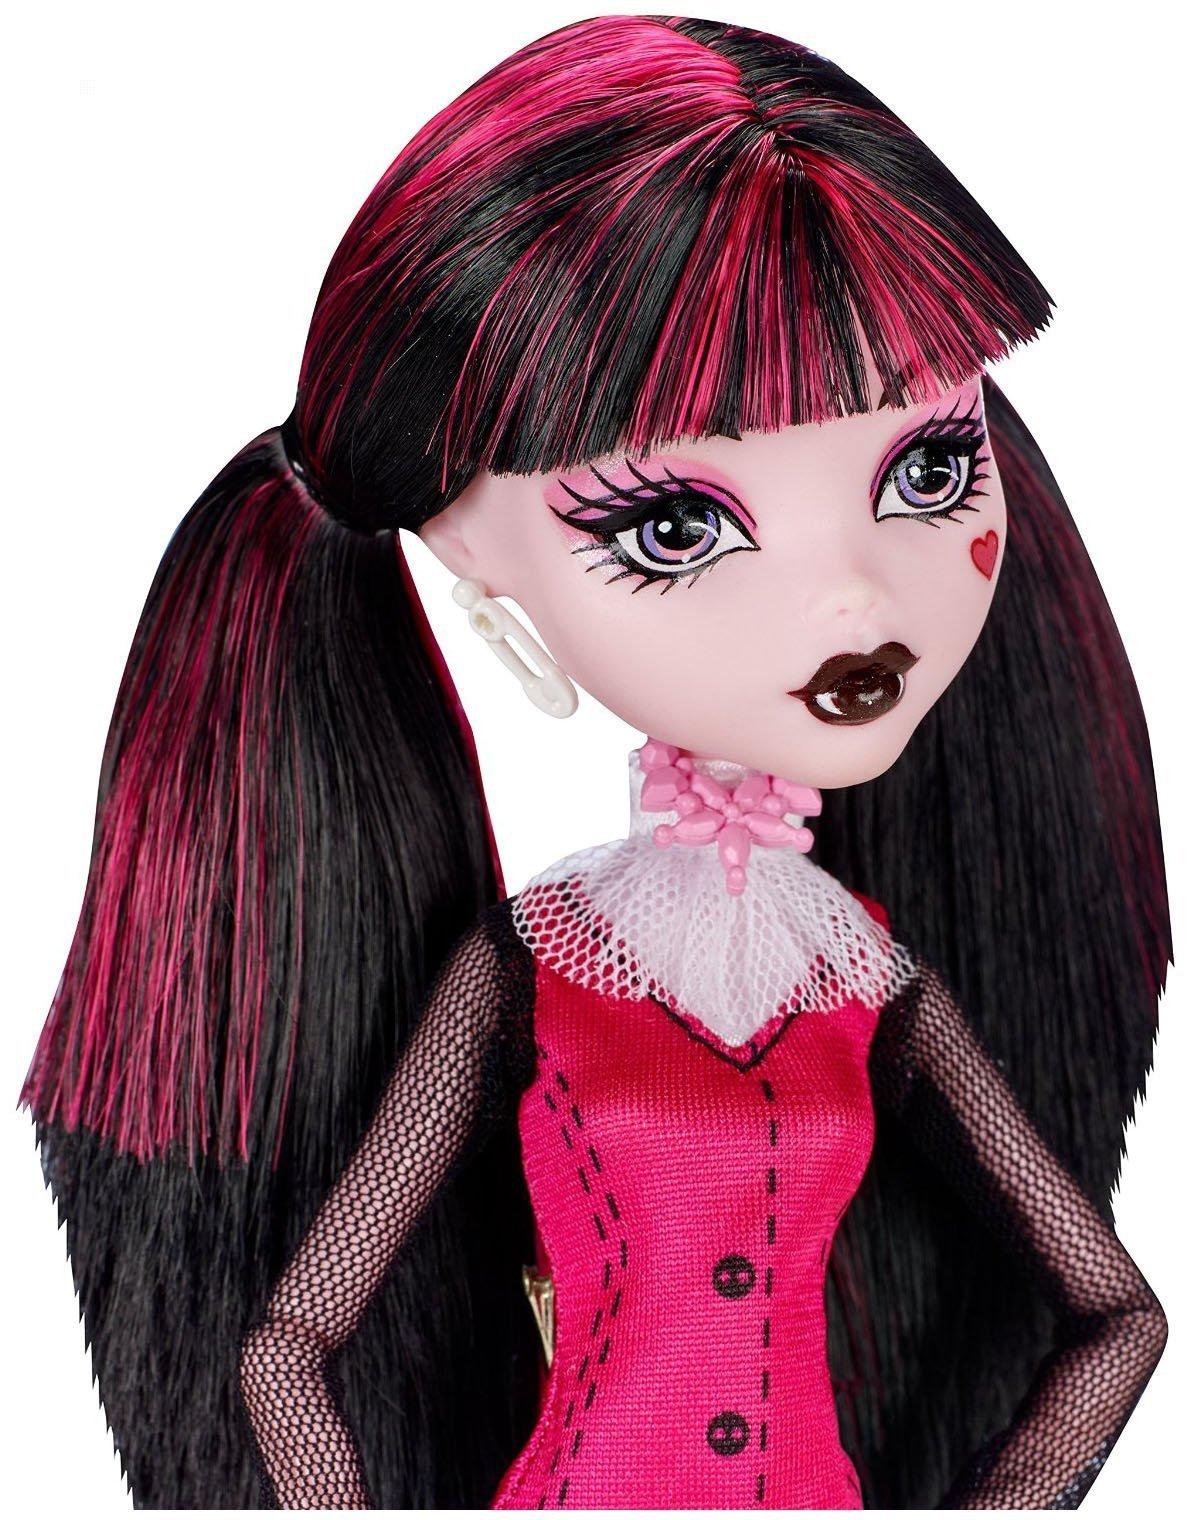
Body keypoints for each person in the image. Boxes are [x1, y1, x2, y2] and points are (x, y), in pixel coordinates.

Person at [25, 15, 1169, 1509]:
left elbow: (1120, 1319)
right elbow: (288, 1349)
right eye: (675, 529)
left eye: (932, 468)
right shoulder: (540, 966)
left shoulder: (864, 977)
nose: (855, 600)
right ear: (469, 554)